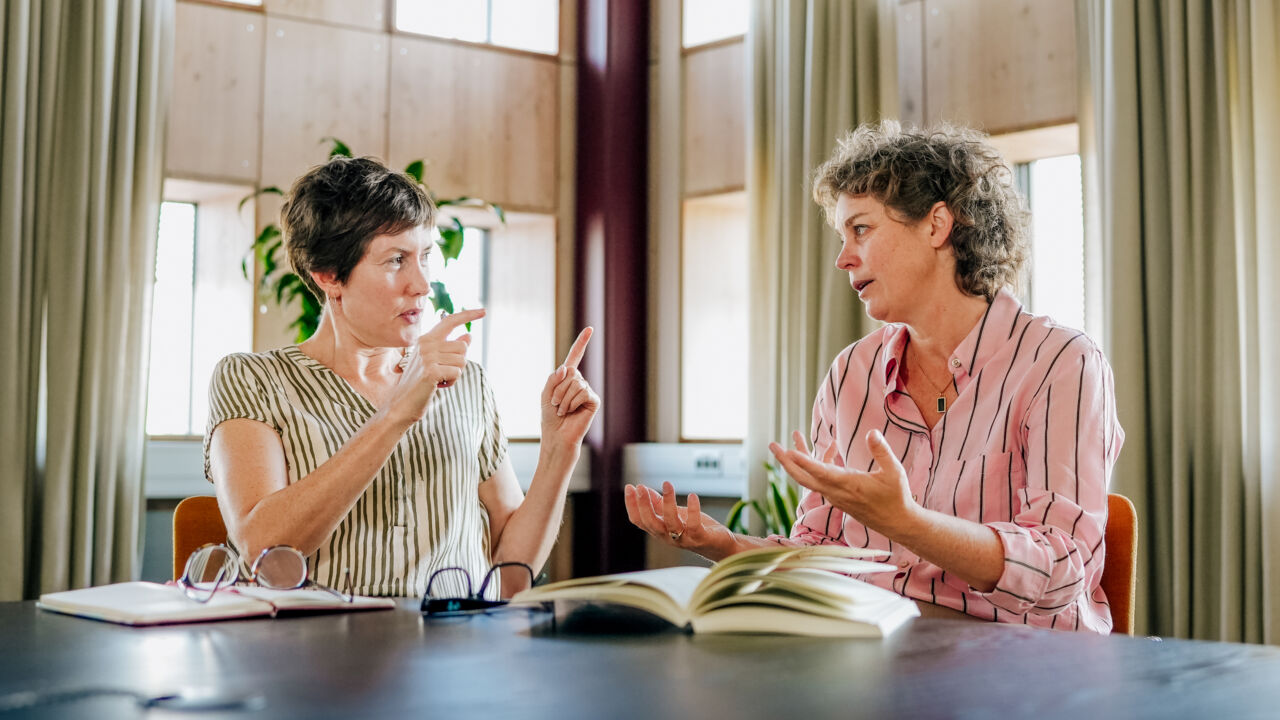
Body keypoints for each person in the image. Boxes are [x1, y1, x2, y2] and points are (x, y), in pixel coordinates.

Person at [625, 121, 1124, 632]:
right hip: (880, 655)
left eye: (861, 229)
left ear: (936, 225)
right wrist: (724, 545)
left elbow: (1061, 570)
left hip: (1022, 672)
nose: (843, 259)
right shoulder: (850, 373)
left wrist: (907, 522)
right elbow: (821, 550)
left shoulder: (1061, 362)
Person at [204, 156, 598, 599]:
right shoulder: (252, 379)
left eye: (425, 257)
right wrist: (394, 415)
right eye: (396, 260)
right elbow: (264, 549)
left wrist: (558, 451)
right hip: (319, 652)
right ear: (329, 275)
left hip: (459, 650)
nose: (422, 285)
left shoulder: (467, 382)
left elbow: (509, 577)